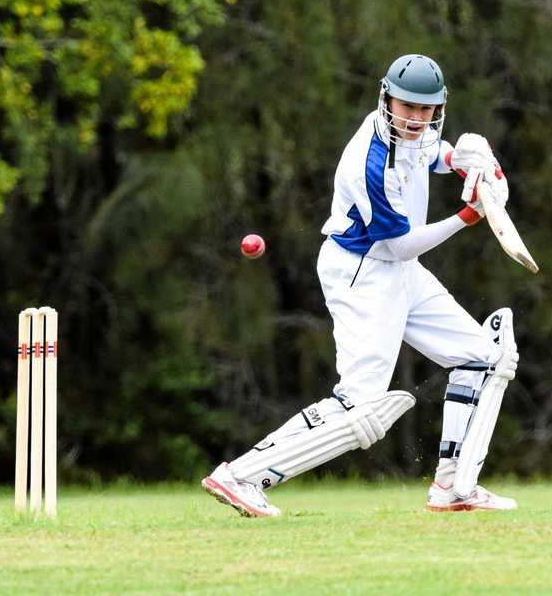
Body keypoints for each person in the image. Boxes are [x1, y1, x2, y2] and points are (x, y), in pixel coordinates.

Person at [201, 54, 520, 516]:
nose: (415, 118)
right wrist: (468, 216)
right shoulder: (370, 162)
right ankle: (242, 476)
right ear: (386, 97)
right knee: (360, 405)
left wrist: (466, 161)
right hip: (363, 272)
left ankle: (454, 485)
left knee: (486, 359)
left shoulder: (419, 133)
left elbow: (434, 155)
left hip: (399, 272)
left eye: (426, 109)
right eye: (406, 106)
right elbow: (400, 247)